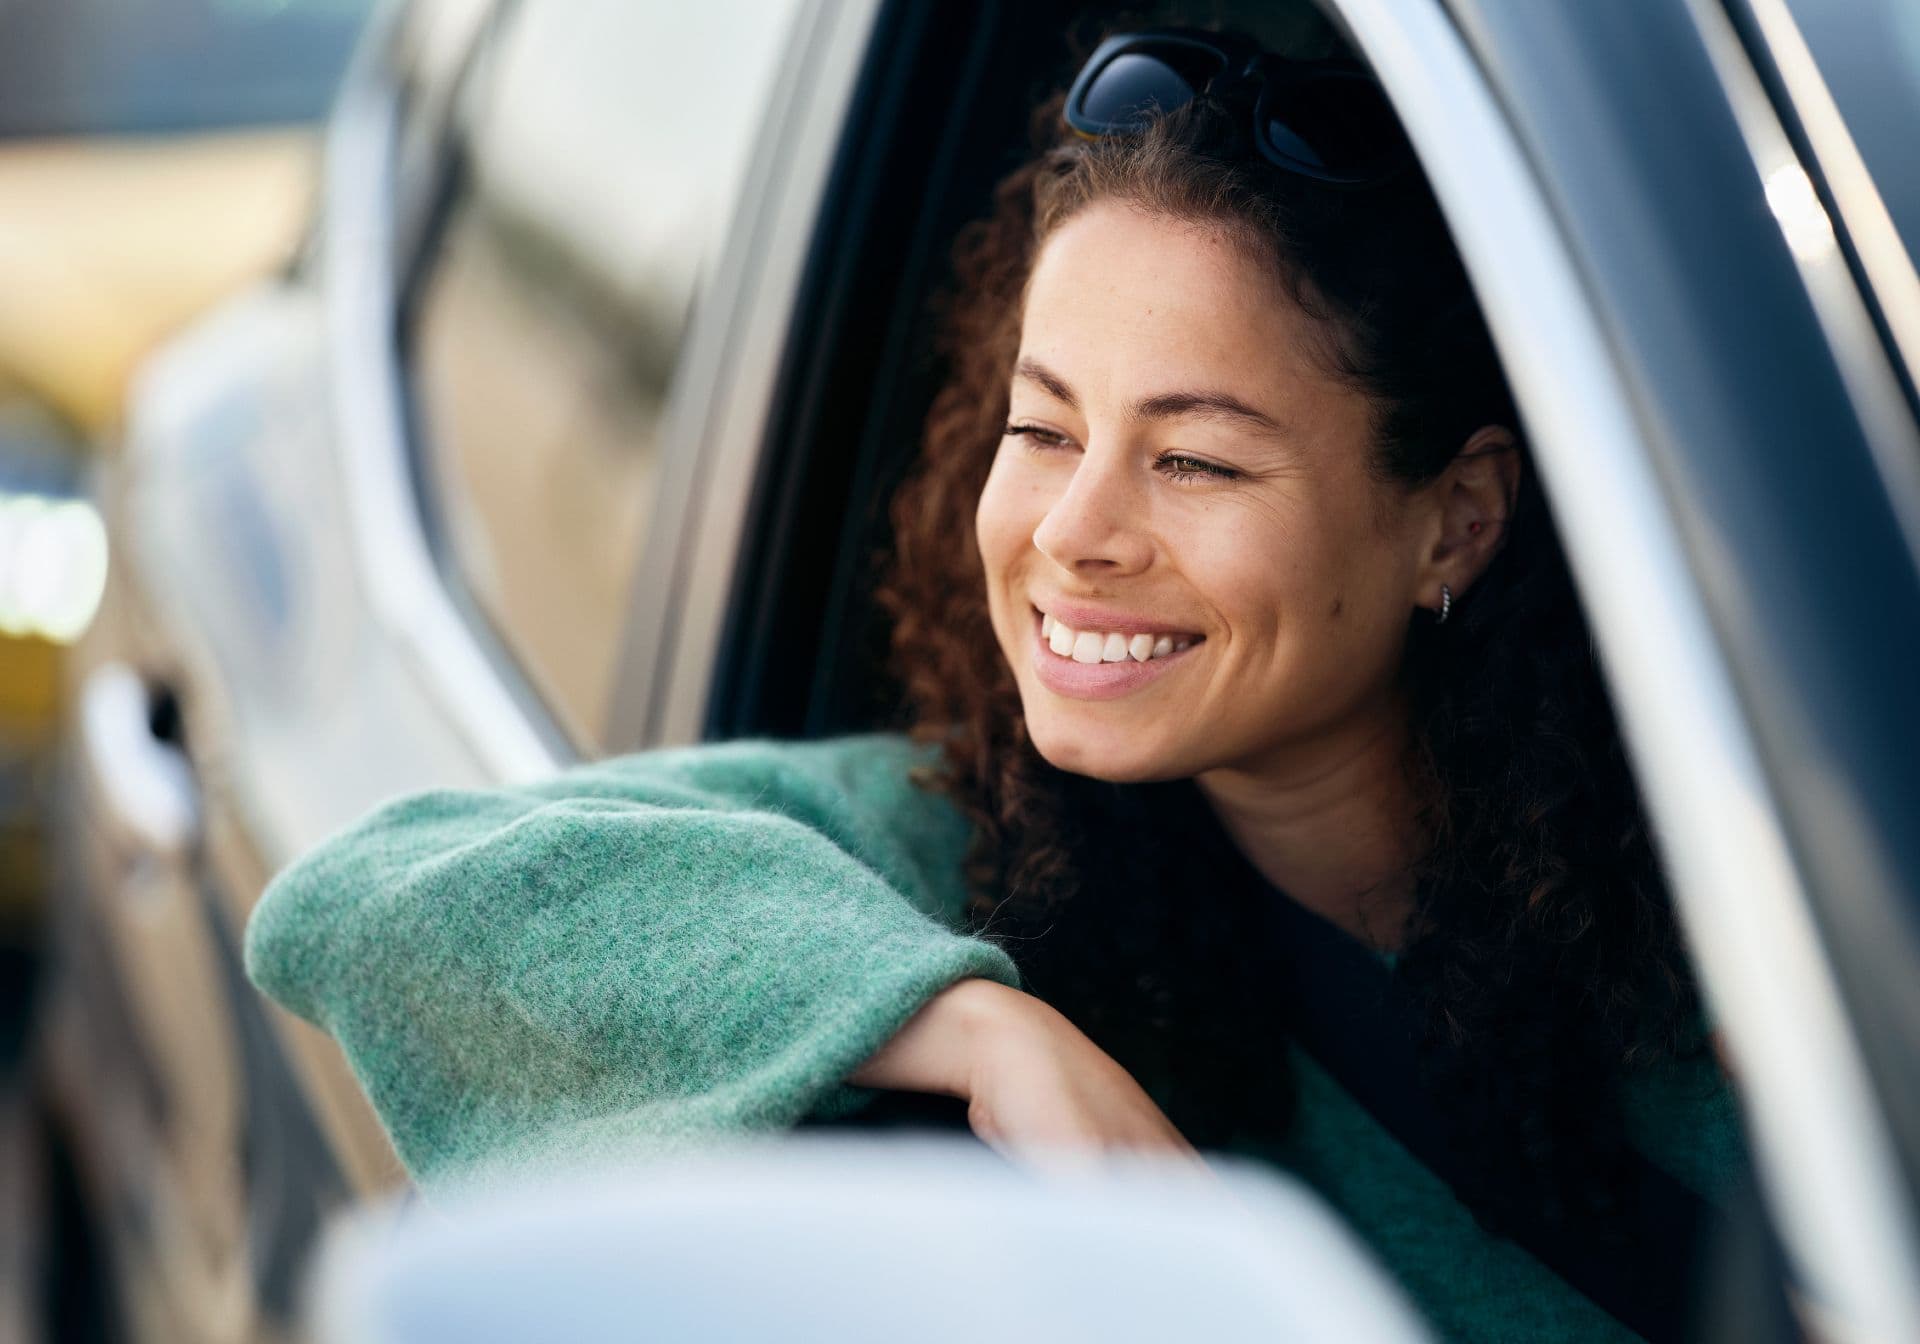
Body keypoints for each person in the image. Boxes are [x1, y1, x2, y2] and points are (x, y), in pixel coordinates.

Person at [245, 27, 1746, 1344]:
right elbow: (379, 888)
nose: (1075, 532)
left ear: (1457, 522)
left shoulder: (1770, 940)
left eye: (1196, 460)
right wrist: (974, 1026)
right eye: (1043, 430)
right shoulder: (954, 856)